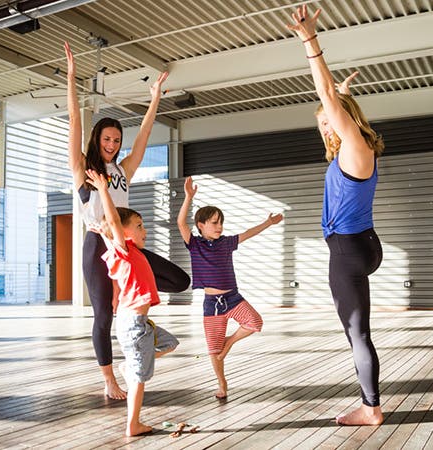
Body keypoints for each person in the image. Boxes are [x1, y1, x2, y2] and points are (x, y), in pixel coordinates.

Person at [65, 41, 190, 400]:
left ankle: (139, 322)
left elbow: (147, 135)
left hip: (128, 246)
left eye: (117, 140)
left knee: (179, 280)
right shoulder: (83, 169)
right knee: (102, 314)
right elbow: (74, 121)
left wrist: (155, 98)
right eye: (107, 138)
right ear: (97, 139)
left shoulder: (122, 170)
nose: (113, 144)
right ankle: (109, 379)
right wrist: (73, 78)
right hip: (98, 245)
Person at [286, 6, 386, 426]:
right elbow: (333, 105)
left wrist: (310, 41)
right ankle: (369, 404)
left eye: (331, 121)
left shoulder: (354, 147)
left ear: (346, 119)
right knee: (357, 330)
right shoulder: (358, 148)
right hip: (363, 243)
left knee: (356, 333)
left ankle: (370, 408)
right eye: (323, 124)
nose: (326, 128)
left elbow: (328, 99)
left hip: (347, 250)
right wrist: (340, 97)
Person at [87, 168, 178, 437]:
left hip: (141, 323)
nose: (145, 230)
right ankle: (133, 424)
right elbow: (114, 223)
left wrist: (101, 229)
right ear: (124, 234)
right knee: (140, 380)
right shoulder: (124, 251)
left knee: (171, 343)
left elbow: (110, 228)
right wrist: (104, 190)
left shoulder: (130, 251)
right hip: (134, 325)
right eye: (139, 226)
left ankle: (130, 365)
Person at [177, 176, 282, 399]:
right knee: (214, 351)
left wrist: (268, 223)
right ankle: (222, 384)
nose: (219, 226)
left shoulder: (226, 242)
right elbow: (180, 223)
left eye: (221, 222)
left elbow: (248, 233)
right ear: (201, 226)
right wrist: (188, 197)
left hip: (233, 298)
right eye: (214, 222)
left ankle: (229, 343)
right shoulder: (194, 244)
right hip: (212, 305)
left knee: (255, 322)